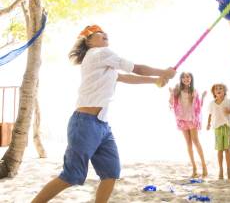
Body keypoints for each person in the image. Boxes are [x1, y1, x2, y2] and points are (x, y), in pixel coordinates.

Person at [32, 25, 176, 203]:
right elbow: (135, 68)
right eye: (99, 33)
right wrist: (164, 72)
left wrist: (155, 81)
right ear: (89, 41)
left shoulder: (104, 61)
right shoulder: (98, 54)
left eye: (105, 33)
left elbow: (124, 77)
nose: (104, 34)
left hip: (102, 126)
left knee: (110, 173)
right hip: (84, 124)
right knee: (71, 175)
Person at [169, 72, 208, 178]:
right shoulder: (178, 91)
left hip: (191, 119)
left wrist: (203, 97)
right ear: (181, 79)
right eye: (183, 77)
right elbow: (171, 103)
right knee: (188, 143)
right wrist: (171, 93)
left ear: (191, 79)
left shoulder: (194, 91)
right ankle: (194, 168)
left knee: (195, 141)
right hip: (182, 119)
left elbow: (199, 106)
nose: (186, 79)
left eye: (188, 77)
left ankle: (204, 165)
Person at [207, 83, 230, 180]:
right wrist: (208, 124)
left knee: (227, 149)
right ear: (214, 92)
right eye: (216, 89)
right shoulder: (212, 103)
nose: (218, 90)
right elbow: (210, 115)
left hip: (227, 127)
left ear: (224, 92)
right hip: (217, 128)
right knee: (219, 150)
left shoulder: (228, 101)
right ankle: (221, 170)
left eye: (221, 88)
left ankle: (228, 169)